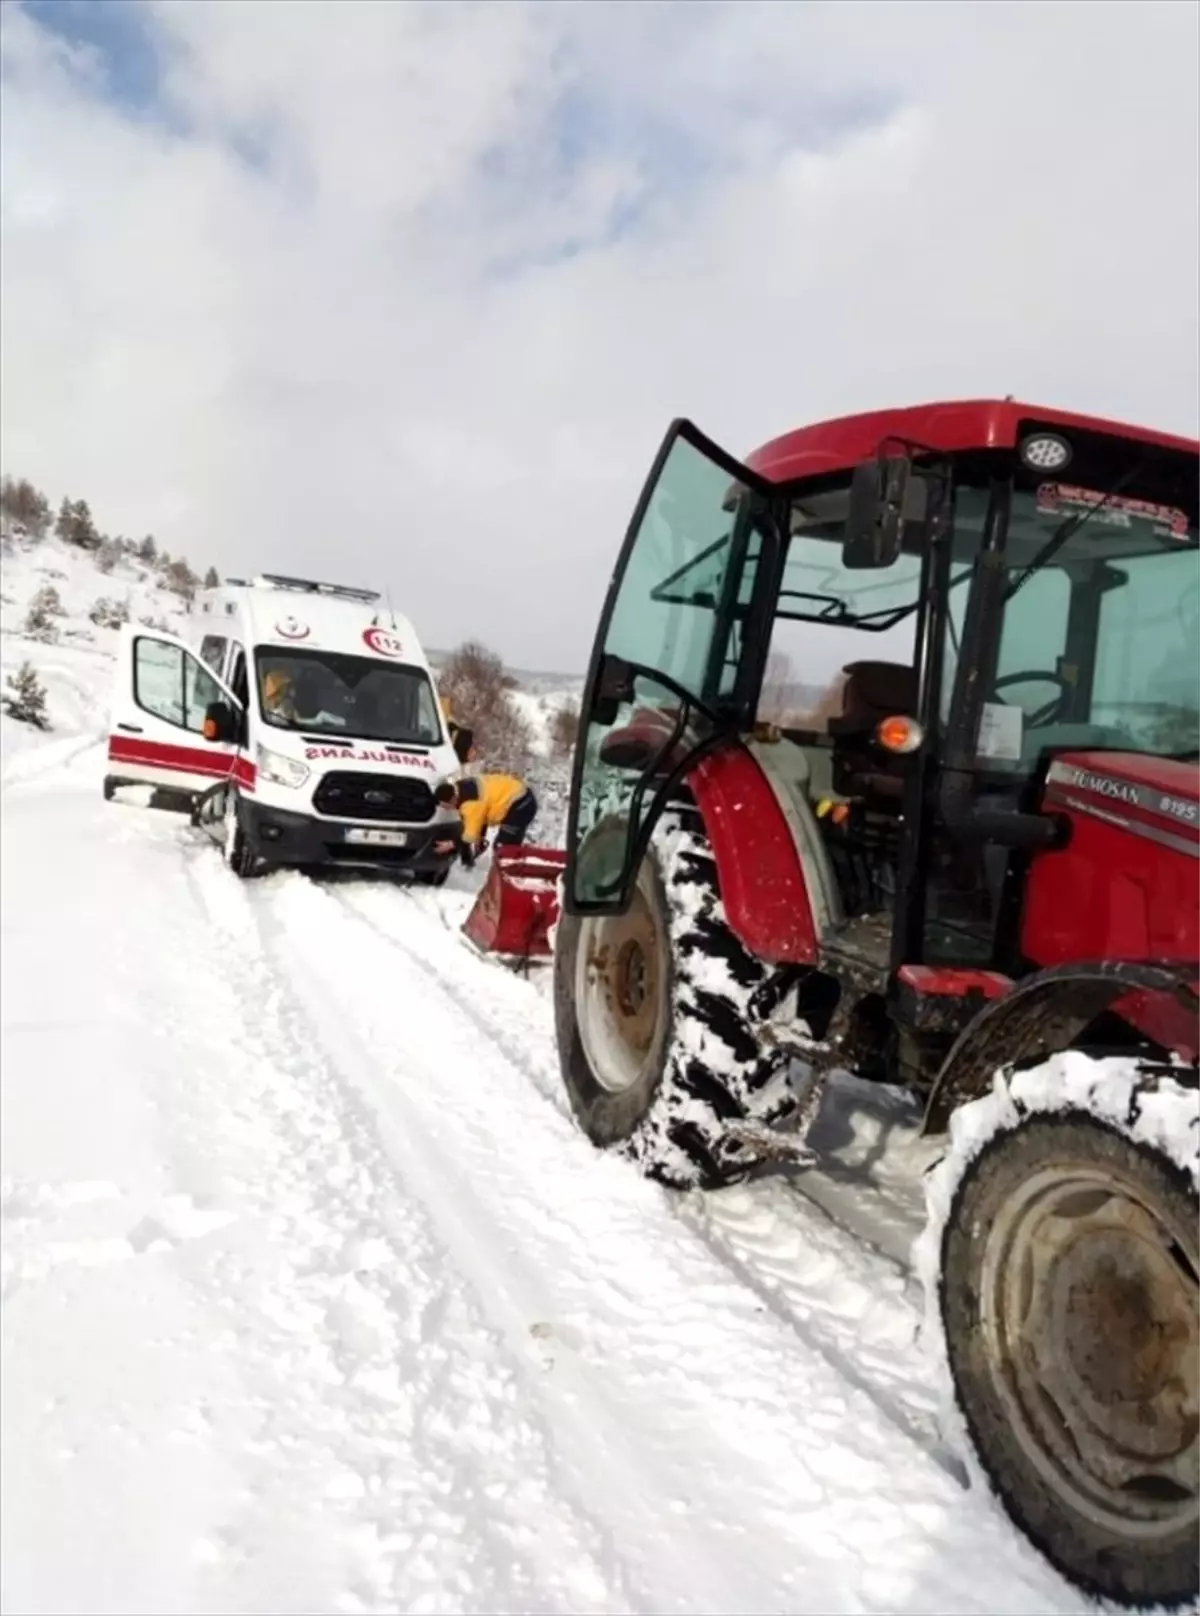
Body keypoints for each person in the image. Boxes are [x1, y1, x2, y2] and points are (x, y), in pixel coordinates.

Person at [435, 763, 538, 865]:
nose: (447, 809)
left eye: (446, 806)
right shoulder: (462, 787)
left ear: (453, 799)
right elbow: (481, 815)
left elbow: (469, 836)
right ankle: (515, 870)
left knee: (503, 848)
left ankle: (506, 875)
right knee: (511, 847)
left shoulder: (470, 804)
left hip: (519, 806)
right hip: (522, 798)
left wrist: (451, 844)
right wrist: (480, 836)